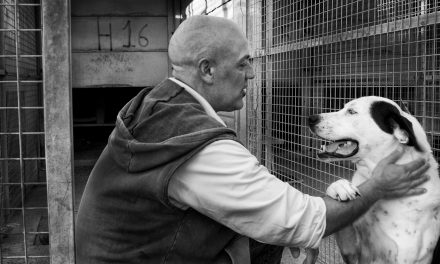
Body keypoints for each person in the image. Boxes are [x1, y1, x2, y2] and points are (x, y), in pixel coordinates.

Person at [75, 15, 430, 264]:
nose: (253, 73)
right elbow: (306, 220)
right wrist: (379, 185)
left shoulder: (160, 102)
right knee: (278, 231)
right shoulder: (199, 145)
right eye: (244, 63)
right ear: (208, 70)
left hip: (121, 250)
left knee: (264, 238)